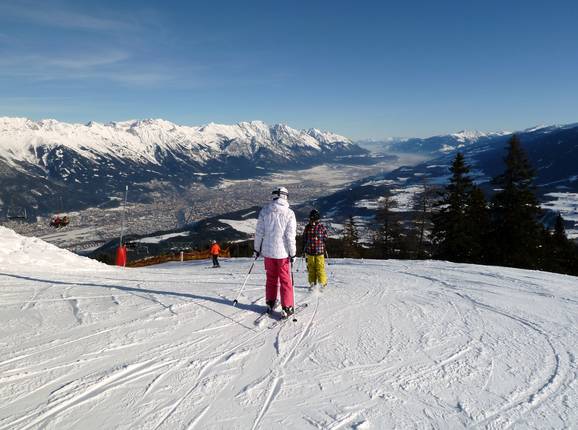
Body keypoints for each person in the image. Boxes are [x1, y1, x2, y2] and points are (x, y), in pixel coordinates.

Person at [254, 186, 297, 317]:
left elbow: (259, 233)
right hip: (282, 254)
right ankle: (287, 306)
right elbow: (290, 236)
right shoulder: (289, 213)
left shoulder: (265, 211)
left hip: (268, 252)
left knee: (271, 278)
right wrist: (293, 253)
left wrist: (257, 249)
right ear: (285, 196)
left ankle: (270, 301)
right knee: (285, 280)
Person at [302, 209, 329, 289]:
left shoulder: (308, 227)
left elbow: (304, 238)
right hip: (316, 252)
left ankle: (317, 284)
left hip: (313, 252)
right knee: (316, 268)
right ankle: (318, 284)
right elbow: (325, 237)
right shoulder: (321, 227)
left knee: (315, 268)